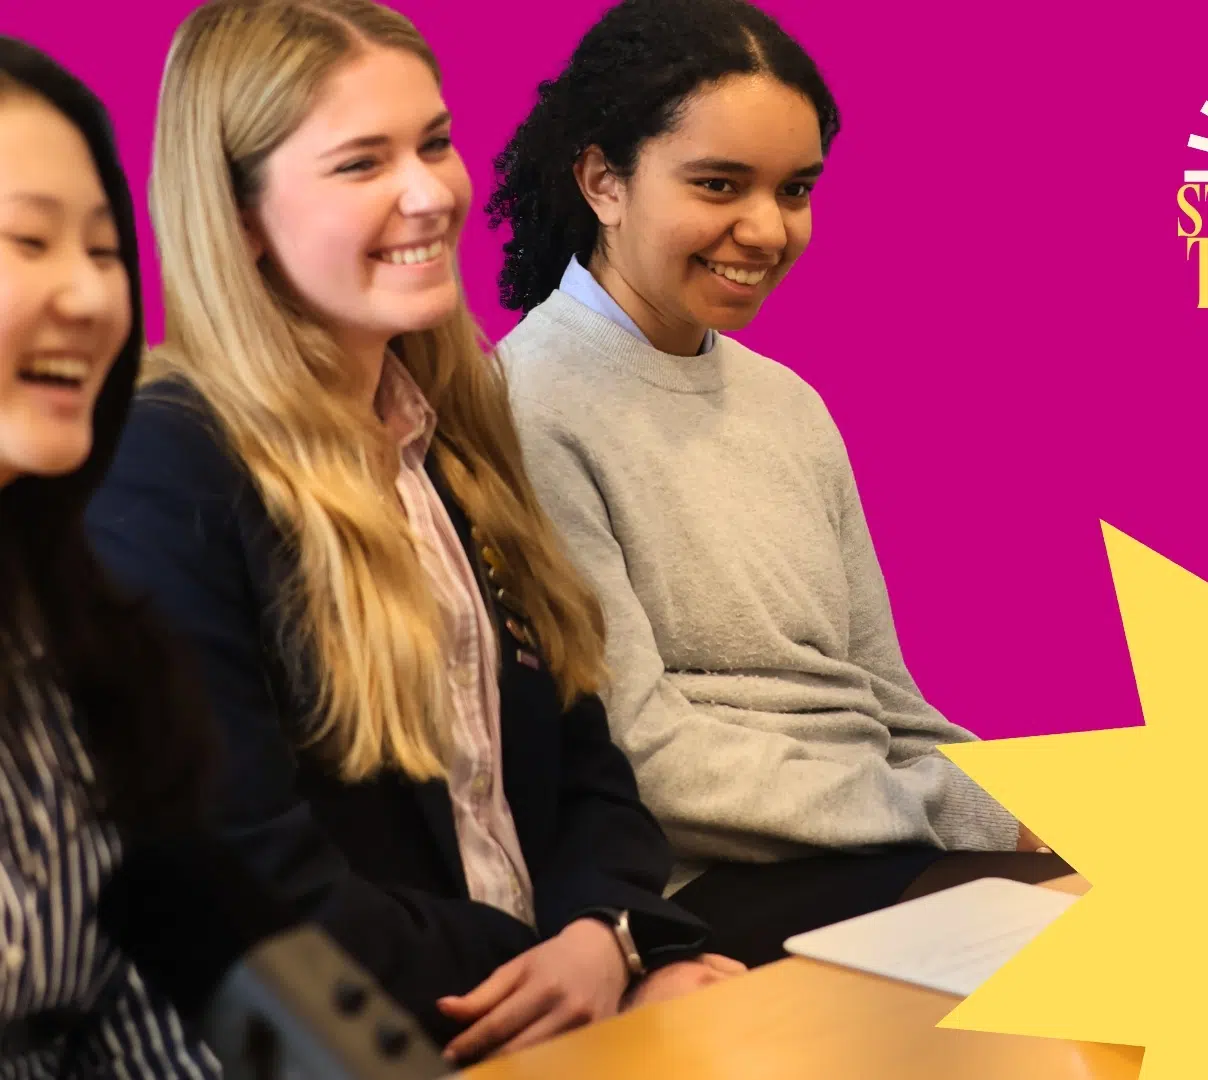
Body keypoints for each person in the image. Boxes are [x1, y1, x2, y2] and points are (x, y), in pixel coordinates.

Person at [83, 0, 737, 1066]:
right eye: (360, 163)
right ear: (239, 216)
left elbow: (586, 763)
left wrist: (607, 937)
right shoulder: (163, 466)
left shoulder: (453, 431)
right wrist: (558, 971)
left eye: (434, 141)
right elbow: (241, 878)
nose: (432, 191)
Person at [490, 0, 1069, 968]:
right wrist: (950, 815)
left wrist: (1037, 801)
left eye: (795, 190)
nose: (764, 229)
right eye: (719, 184)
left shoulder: (791, 405)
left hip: (871, 843)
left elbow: (889, 705)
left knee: (1156, 883)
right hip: (697, 889)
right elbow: (643, 761)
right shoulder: (525, 405)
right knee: (1073, 946)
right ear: (603, 181)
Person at [0, 36, 218, 1078]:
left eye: (101, 248)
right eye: (26, 242)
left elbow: (174, 991)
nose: (89, 297)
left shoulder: (78, 625)